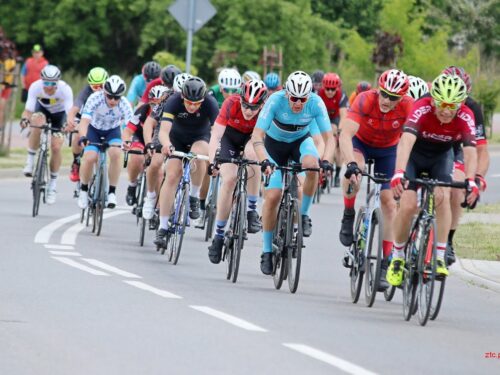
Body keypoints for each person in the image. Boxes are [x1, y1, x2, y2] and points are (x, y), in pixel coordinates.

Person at [387, 74, 479, 286]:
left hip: (440, 157)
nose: (446, 111)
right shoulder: (421, 107)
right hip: (414, 156)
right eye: (441, 104)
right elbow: (406, 140)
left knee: (442, 196)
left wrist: (470, 180)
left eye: (452, 106)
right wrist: (399, 172)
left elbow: (471, 150)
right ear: (433, 100)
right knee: (408, 205)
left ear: (461, 104)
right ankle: (398, 257)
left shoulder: (466, 115)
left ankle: (438, 257)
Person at [251, 71, 334, 275]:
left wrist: (326, 162)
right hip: (273, 147)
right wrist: (264, 160)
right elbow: (257, 135)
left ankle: (304, 215)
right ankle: (267, 250)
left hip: (299, 142)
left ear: (309, 96)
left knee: (312, 164)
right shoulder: (275, 100)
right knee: (273, 196)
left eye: (302, 99)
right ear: (286, 93)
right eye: (294, 98)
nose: (298, 103)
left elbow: (329, 139)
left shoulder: (316, 103)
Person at [338, 69, 413, 289]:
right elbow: (345, 135)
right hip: (361, 145)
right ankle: (349, 213)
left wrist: (404, 170)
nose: (387, 100)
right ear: (378, 89)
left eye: (394, 97)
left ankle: (386, 262)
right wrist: (350, 163)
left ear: (402, 98)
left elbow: (411, 140)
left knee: (390, 203)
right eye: (384, 93)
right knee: (355, 172)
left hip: (388, 151)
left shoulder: (408, 106)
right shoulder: (365, 100)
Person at [206, 80, 268, 264]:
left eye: (254, 107)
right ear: (240, 99)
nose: (249, 111)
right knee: (230, 180)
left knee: (252, 155)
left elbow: (267, 140)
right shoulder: (230, 103)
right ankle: (218, 235)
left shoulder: (266, 111)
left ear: (262, 105)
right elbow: (216, 135)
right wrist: (212, 162)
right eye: (246, 105)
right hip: (229, 139)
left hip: (251, 139)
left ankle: (251, 210)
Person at [154, 77, 219, 247]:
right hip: (176, 138)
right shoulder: (173, 101)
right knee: (172, 175)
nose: (192, 106)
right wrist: (167, 144)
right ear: (182, 97)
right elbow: (164, 131)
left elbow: (217, 133)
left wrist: (215, 154)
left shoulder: (211, 103)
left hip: (200, 138)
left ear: (203, 100)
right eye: (189, 102)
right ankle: (162, 227)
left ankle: (194, 196)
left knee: (196, 157)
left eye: (196, 103)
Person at [441, 66, 490, 265]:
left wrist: (477, 179)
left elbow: (481, 151)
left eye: (460, 99)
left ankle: (449, 241)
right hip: (429, 146)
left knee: (456, 188)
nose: (452, 105)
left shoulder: (472, 108)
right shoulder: (426, 101)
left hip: (455, 148)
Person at [19, 65, 73, 204]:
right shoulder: (35, 87)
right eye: (46, 83)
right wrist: (25, 119)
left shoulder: (65, 89)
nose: (49, 86)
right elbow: (28, 110)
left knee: (56, 147)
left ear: (58, 82)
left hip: (60, 116)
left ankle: (53, 185)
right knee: (36, 121)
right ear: (42, 80)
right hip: (42, 110)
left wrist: (69, 126)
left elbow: (70, 114)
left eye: (52, 83)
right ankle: (30, 161)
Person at [77, 75, 133, 209]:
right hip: (93, 130)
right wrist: (83, 137)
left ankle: (112, 192)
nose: (113, 100)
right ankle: (83, 190)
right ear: (104, 93)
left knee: (115, 153)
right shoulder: (95, 98)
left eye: (117, 97)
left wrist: (126, 141)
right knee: (90, 157)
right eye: (110, 96)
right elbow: (84, 122)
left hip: (112, 131)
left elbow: (129, 127)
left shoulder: (125, 104)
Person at [122, 85, 169, 205]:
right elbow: (127, 131)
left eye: (159, 104)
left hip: (158, 142)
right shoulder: (142, 110)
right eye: (153, 104)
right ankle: (132, 185)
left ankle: (158, 205)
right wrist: (126, 142)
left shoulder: (169, 113)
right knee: (137, 158)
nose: (155, 108)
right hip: (141, 139)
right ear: (149, 102)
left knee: (159, 171)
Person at [66, 67, 109, 182]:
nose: (99, 89)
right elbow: (75, 107)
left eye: (101, 86)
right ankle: (76, 162)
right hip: (85, 118)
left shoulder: (110, 92)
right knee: (77, 135)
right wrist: (70, 118)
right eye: (95, 86)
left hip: (101, 120)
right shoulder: (86, 91)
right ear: (90, 85)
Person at [317, 72, 349, 187]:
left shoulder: (341, 95)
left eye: (333, 89)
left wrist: (339, 132)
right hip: (322, 117)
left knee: (334, 134)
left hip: (335, 118)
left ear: (337, 88)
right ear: (323, 87)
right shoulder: (318, 93)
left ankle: (337, 175)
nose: (330, 91)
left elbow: (344, 115)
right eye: (327, 89)